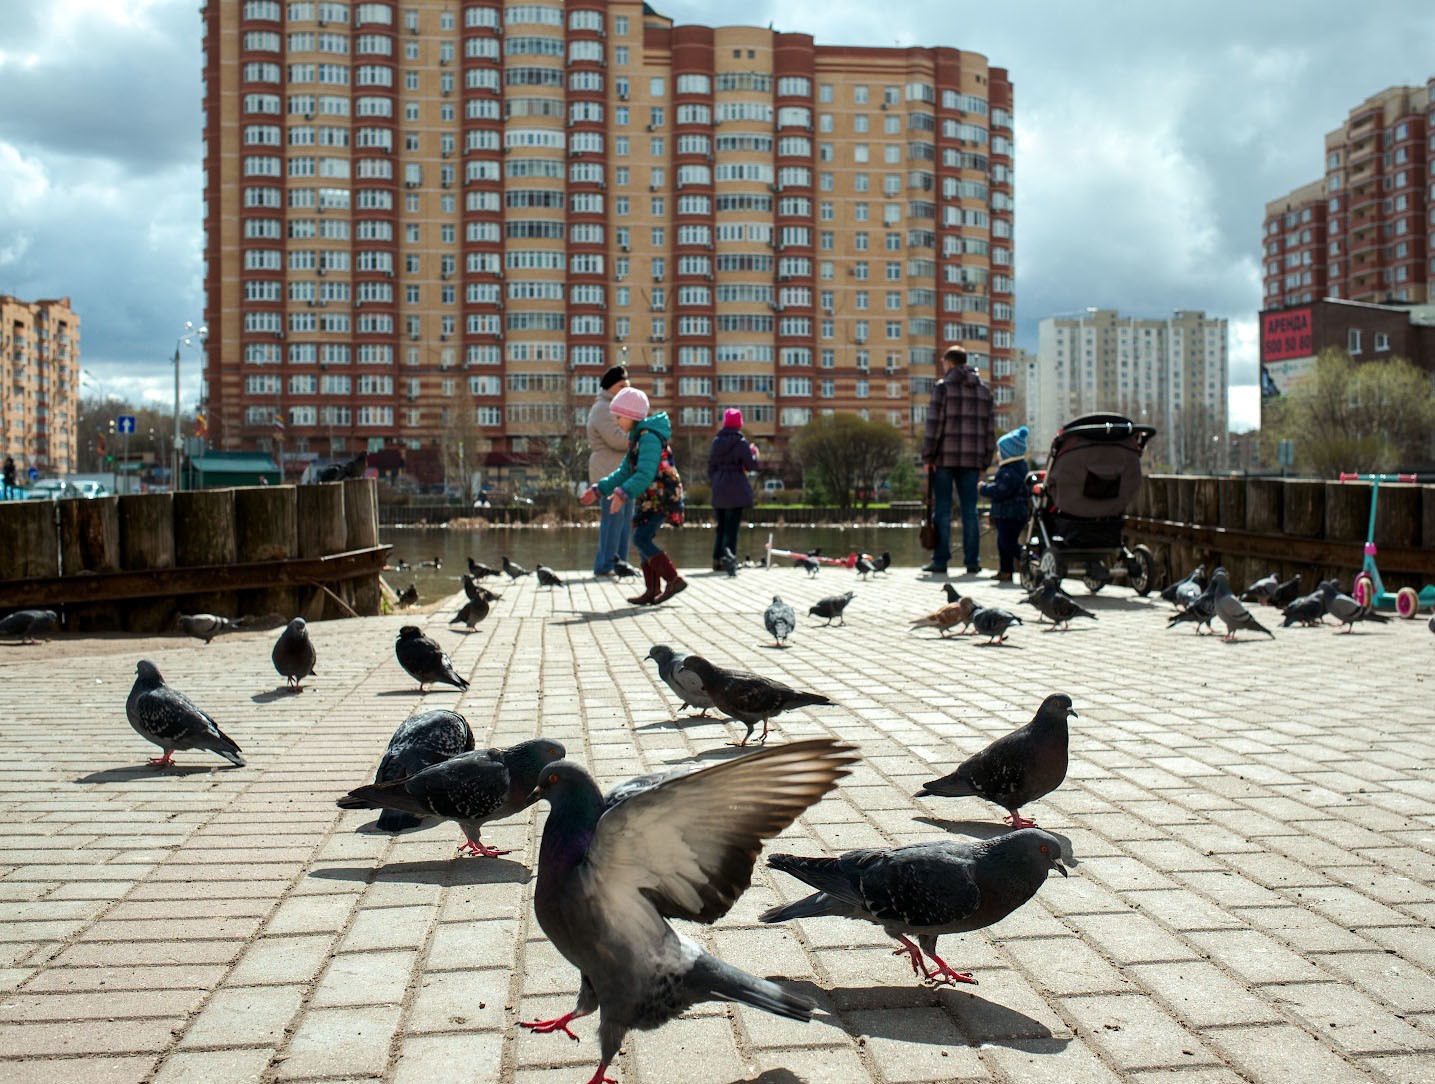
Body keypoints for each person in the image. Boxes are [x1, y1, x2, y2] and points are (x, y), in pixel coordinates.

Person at [580, 387, 687, 605]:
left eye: (619, 417)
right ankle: (652, 590)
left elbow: (645, 473)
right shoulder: (638, 438)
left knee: (640, 537)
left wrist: (622, 494)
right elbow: (624, 472)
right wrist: (599, 489)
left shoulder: (648, 438)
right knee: (639, 536)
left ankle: (673, 579)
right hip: (651, 495)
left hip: (662, 495)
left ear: (632, 415)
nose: (617, 422)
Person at [921, 346, 996, 577]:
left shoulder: (943, 388)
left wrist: (928, 456)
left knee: (942, 509)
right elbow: (989, 430)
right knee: (970, 512)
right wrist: (985, 460)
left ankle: (940, 561)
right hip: (972, 460)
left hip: (945, 458)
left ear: (949, 363)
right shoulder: (984, 391)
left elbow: (934, 425)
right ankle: (972, 562)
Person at [586, 365, 634, 577]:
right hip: (608, 471)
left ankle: (620, 563)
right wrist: (639, 438)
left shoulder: (616, 407)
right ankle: (605, 565)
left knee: (624, 522)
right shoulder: (604, 408)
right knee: (613, 521)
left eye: (628, 385)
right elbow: (616, 439)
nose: (626, 388)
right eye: (621, 385)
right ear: (609, 387)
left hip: (622, 472)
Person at [707, 408, 758, 570]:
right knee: (732, 528)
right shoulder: (741, 442)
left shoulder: (716, 441)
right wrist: (754, 453)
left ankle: (716, 559)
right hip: (736, 487)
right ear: (739, 423)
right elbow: (751, 465)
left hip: (719, 487)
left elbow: (711, 466)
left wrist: (716, 480)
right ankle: (729, 561)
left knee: (721, 527)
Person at [979, 426, 1030, 583]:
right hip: (1009, 513)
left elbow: (1002, 490)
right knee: (1003, 543)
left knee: (1007, 543)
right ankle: (1006, 570)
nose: (998, 455)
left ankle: (1026, 556)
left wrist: (984, 489)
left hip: (1011, 514)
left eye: (1000, 452)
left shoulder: (1010, 472)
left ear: (1008, 453)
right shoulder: (1017, 469)